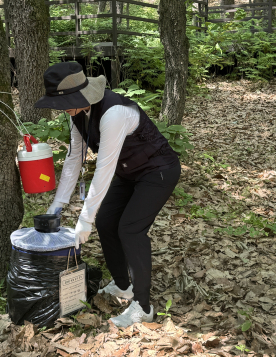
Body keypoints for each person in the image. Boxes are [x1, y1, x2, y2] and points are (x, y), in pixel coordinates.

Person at [34, 62, 181, 328]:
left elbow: (103, 168)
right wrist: (57, 205)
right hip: (128, 173)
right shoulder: (76, 112)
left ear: (82, 94)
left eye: (67, 101)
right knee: (106, 223)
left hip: (158, 171)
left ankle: (143, 306)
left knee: (130, 230)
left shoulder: (114, 113)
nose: (64, 107)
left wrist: (84, 218)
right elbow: (74, 158)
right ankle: (123, 286)